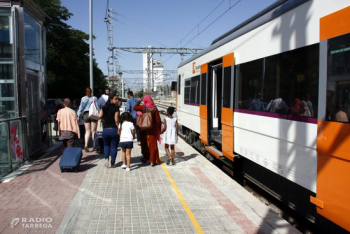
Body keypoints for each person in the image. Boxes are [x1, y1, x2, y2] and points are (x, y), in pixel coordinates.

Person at [133, 95, 161, 166]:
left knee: (144, 144)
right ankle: (152, 160)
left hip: (143, 128)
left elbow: (134, 108)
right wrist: (159, 129)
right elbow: (158, 120)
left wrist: (139, 101)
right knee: (152, 145)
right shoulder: (154, 108)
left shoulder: (143, 107)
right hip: (152, 129)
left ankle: (145, 158)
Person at [98, 94, 120, 168]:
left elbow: (99, 116)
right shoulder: (116, 108)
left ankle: (106, 158)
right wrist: (119, 128)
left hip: (105, 130)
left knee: (106, 145)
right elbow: (116, 120)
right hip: (113, 129)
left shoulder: (104, 107)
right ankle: (113, 163)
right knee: (114, 147)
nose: (117, 101)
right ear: (111, 99)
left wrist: (102, 113)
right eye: (115, 99)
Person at [77, 87, 99, 152]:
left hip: (86, 114)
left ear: (86, 92)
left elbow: (81, 108)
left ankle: (86, 144)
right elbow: (97, 107)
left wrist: (79, 116)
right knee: (93, 131)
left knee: (87, 131)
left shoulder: (83, 98)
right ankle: (94, 145)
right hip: (93, 114)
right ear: (91, 92)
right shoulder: (95, 98)